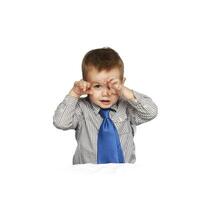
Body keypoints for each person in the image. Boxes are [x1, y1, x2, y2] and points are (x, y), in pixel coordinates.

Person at [53, 47, 158, 165]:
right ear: (86, 84)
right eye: (97, 86)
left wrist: (125, 92)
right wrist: (74, 94)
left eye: (112, 86)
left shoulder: (127, 108)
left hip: (124, 174)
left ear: (122, 83)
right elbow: (60, 122)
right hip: (87, 175)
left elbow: (151, 112)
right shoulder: (81, 109)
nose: (106, 93)